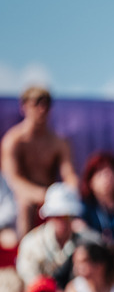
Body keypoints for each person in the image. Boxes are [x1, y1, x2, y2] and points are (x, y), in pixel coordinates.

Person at [0, 86, 78, 237]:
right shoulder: (13, 141)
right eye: (37, 103)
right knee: (25, 205)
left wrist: (71, 192)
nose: (42, 109)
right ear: (24, 106)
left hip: (51, 197)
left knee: (72, 207)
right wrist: (43, 195)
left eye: (46, 103)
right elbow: (11, 180)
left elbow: (69, 174)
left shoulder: (58, 142)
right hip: (19, 199)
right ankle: (24, 249)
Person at [15, 182, 100, 288]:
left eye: (67, 216)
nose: (62, 221)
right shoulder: (31, 244)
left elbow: (104, 249)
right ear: (49, 216)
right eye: (57, 216)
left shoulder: (86, 241)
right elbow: (30, 283)